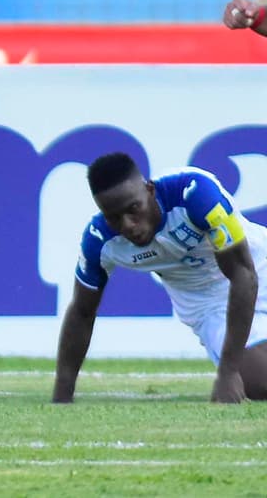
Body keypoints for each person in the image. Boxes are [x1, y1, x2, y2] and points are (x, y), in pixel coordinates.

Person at [53, 152, 267, 403]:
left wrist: (228, 372)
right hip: (210, 306)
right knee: (259, 383)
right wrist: (62, 396)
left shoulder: (195, 194)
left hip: (254, 266)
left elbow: (243, 274)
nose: (128, 225)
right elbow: (81, 312)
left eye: (133, 209)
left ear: (150, 190)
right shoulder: (100, 240)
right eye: (113, 217)